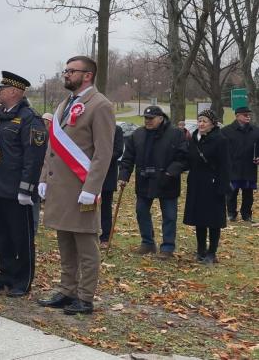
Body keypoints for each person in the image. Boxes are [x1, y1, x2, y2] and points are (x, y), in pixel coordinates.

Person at [37, 56, 115, 316]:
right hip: (60, 188)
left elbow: (103, 153)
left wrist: (91, 188)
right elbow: (52, 146)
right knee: (65, 241)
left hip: (82, 188)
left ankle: (85, 296)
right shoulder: (64, 104)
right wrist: (43, 179)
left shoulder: (100, 105)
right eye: (66, 70)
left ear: (88, 75)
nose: (66, 74)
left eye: (72, 71)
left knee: (86, 246)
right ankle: (66, 289)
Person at [0, 72, 47, 297]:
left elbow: (33, 156)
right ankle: (4, 275)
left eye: (2, 89)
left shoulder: (29, 118)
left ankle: (22, 281)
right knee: (1, 236)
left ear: (15, 92)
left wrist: (27, 188)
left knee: (20, 237)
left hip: (17, 191)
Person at [118, 106, 187, 258]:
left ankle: (167, 247)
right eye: (146, 118)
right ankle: (147, 242)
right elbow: (128, 157)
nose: (147, 121)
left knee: (169, 215)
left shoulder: (175, 134)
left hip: (167, 181)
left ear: (161, 118)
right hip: (144, 180)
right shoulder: (138, 134)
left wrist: (171, 171)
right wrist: (124, 175)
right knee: (141, 211)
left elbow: (183, 157)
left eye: (151, 118)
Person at [183, 110, 231, 264]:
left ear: (212, 123)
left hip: (213, 184)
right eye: (199, 120)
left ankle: (212, 252)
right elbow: (189, 159)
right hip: (197, 183)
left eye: (204, 121)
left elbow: (226, 165)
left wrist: (222, 186)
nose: (201, 124)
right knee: (200, 219)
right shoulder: (194, 138)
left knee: (213, 220)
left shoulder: (220, 140)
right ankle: (201, 250)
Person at [220, 106, 259, 223]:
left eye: (249, 115)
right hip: (232, 168)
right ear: (237, 116)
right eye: (245, 115)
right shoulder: (226, 131)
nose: (248, 117)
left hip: (249, 167)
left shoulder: (256, 131)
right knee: (231, 192)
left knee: (248, 194)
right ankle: (231, 214)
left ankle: (246, 214)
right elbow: (220, 149)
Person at [99, 125, 124, 249]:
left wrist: (101, 159)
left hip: (108, 173)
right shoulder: (93, 126)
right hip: (87, 171)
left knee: (105, 207)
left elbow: (118, 150)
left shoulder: (116, 129)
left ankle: (105, 237)